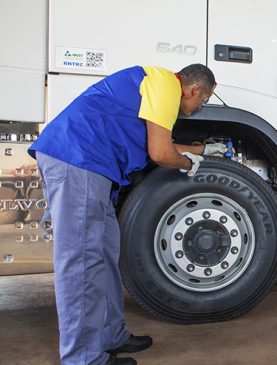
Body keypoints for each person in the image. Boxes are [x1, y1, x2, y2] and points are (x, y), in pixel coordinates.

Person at [28, 64, 229, 365]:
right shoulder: (165, 85)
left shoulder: (158, 87)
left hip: (90, 167)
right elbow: (160, 153)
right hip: (77, 161)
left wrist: (199, 150)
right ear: (195, 89)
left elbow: (158, 144)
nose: (200, 107)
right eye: (203, 101)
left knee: (106, 253)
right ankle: (82, 359)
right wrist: (189, 164)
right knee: (82, 262)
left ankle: (111, 335)